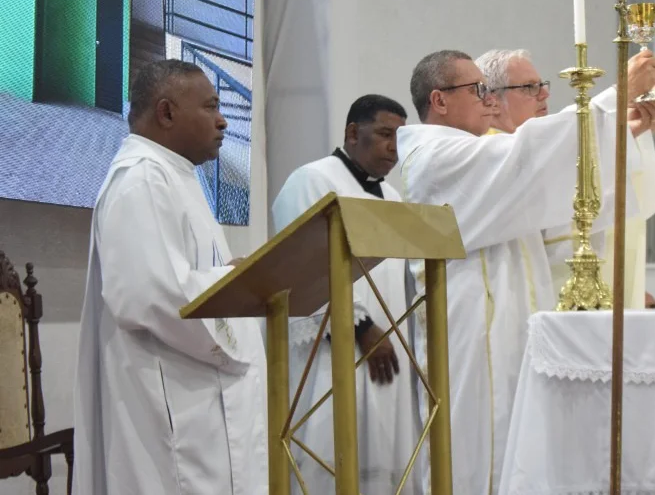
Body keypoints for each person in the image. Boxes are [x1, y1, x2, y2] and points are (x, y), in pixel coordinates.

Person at [397, 49, 655, 494]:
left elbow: (568, 202)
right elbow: (525, 157)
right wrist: (616, 95)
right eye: (477, 89)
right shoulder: (432, 155)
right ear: (440, 100)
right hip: (471, 335)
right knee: (477, 456)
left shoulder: (479, 152)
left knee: (520, 456)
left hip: (512, 331)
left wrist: (630, 128)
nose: (488, 99)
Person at [73, 60, 268, 495]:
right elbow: (150, 295)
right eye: (211, 107)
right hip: (173, 415)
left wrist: (229, 278)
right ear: (166, 113)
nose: (222, 121)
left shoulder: (176, 175)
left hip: (194, 398)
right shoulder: (140, 178)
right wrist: (233, 283)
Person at [271, 94, 420, 495]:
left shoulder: (393, 197)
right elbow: (301, 270)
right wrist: (363, 327)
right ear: (353, 133)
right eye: (385, 134)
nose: (394, 147)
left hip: (390, 349)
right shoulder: (312, 180)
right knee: (329, 457)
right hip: (328, 353)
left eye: (400, 138)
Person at [475, 48, 655, 309]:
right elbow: (563, 193)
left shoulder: (548, 146)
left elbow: (595, 187)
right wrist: (623, 94)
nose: (544, 94)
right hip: (524, 300)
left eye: (542, 85)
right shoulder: (490, 150)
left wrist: (645, 123)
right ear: (492, 100)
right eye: (529, 87)